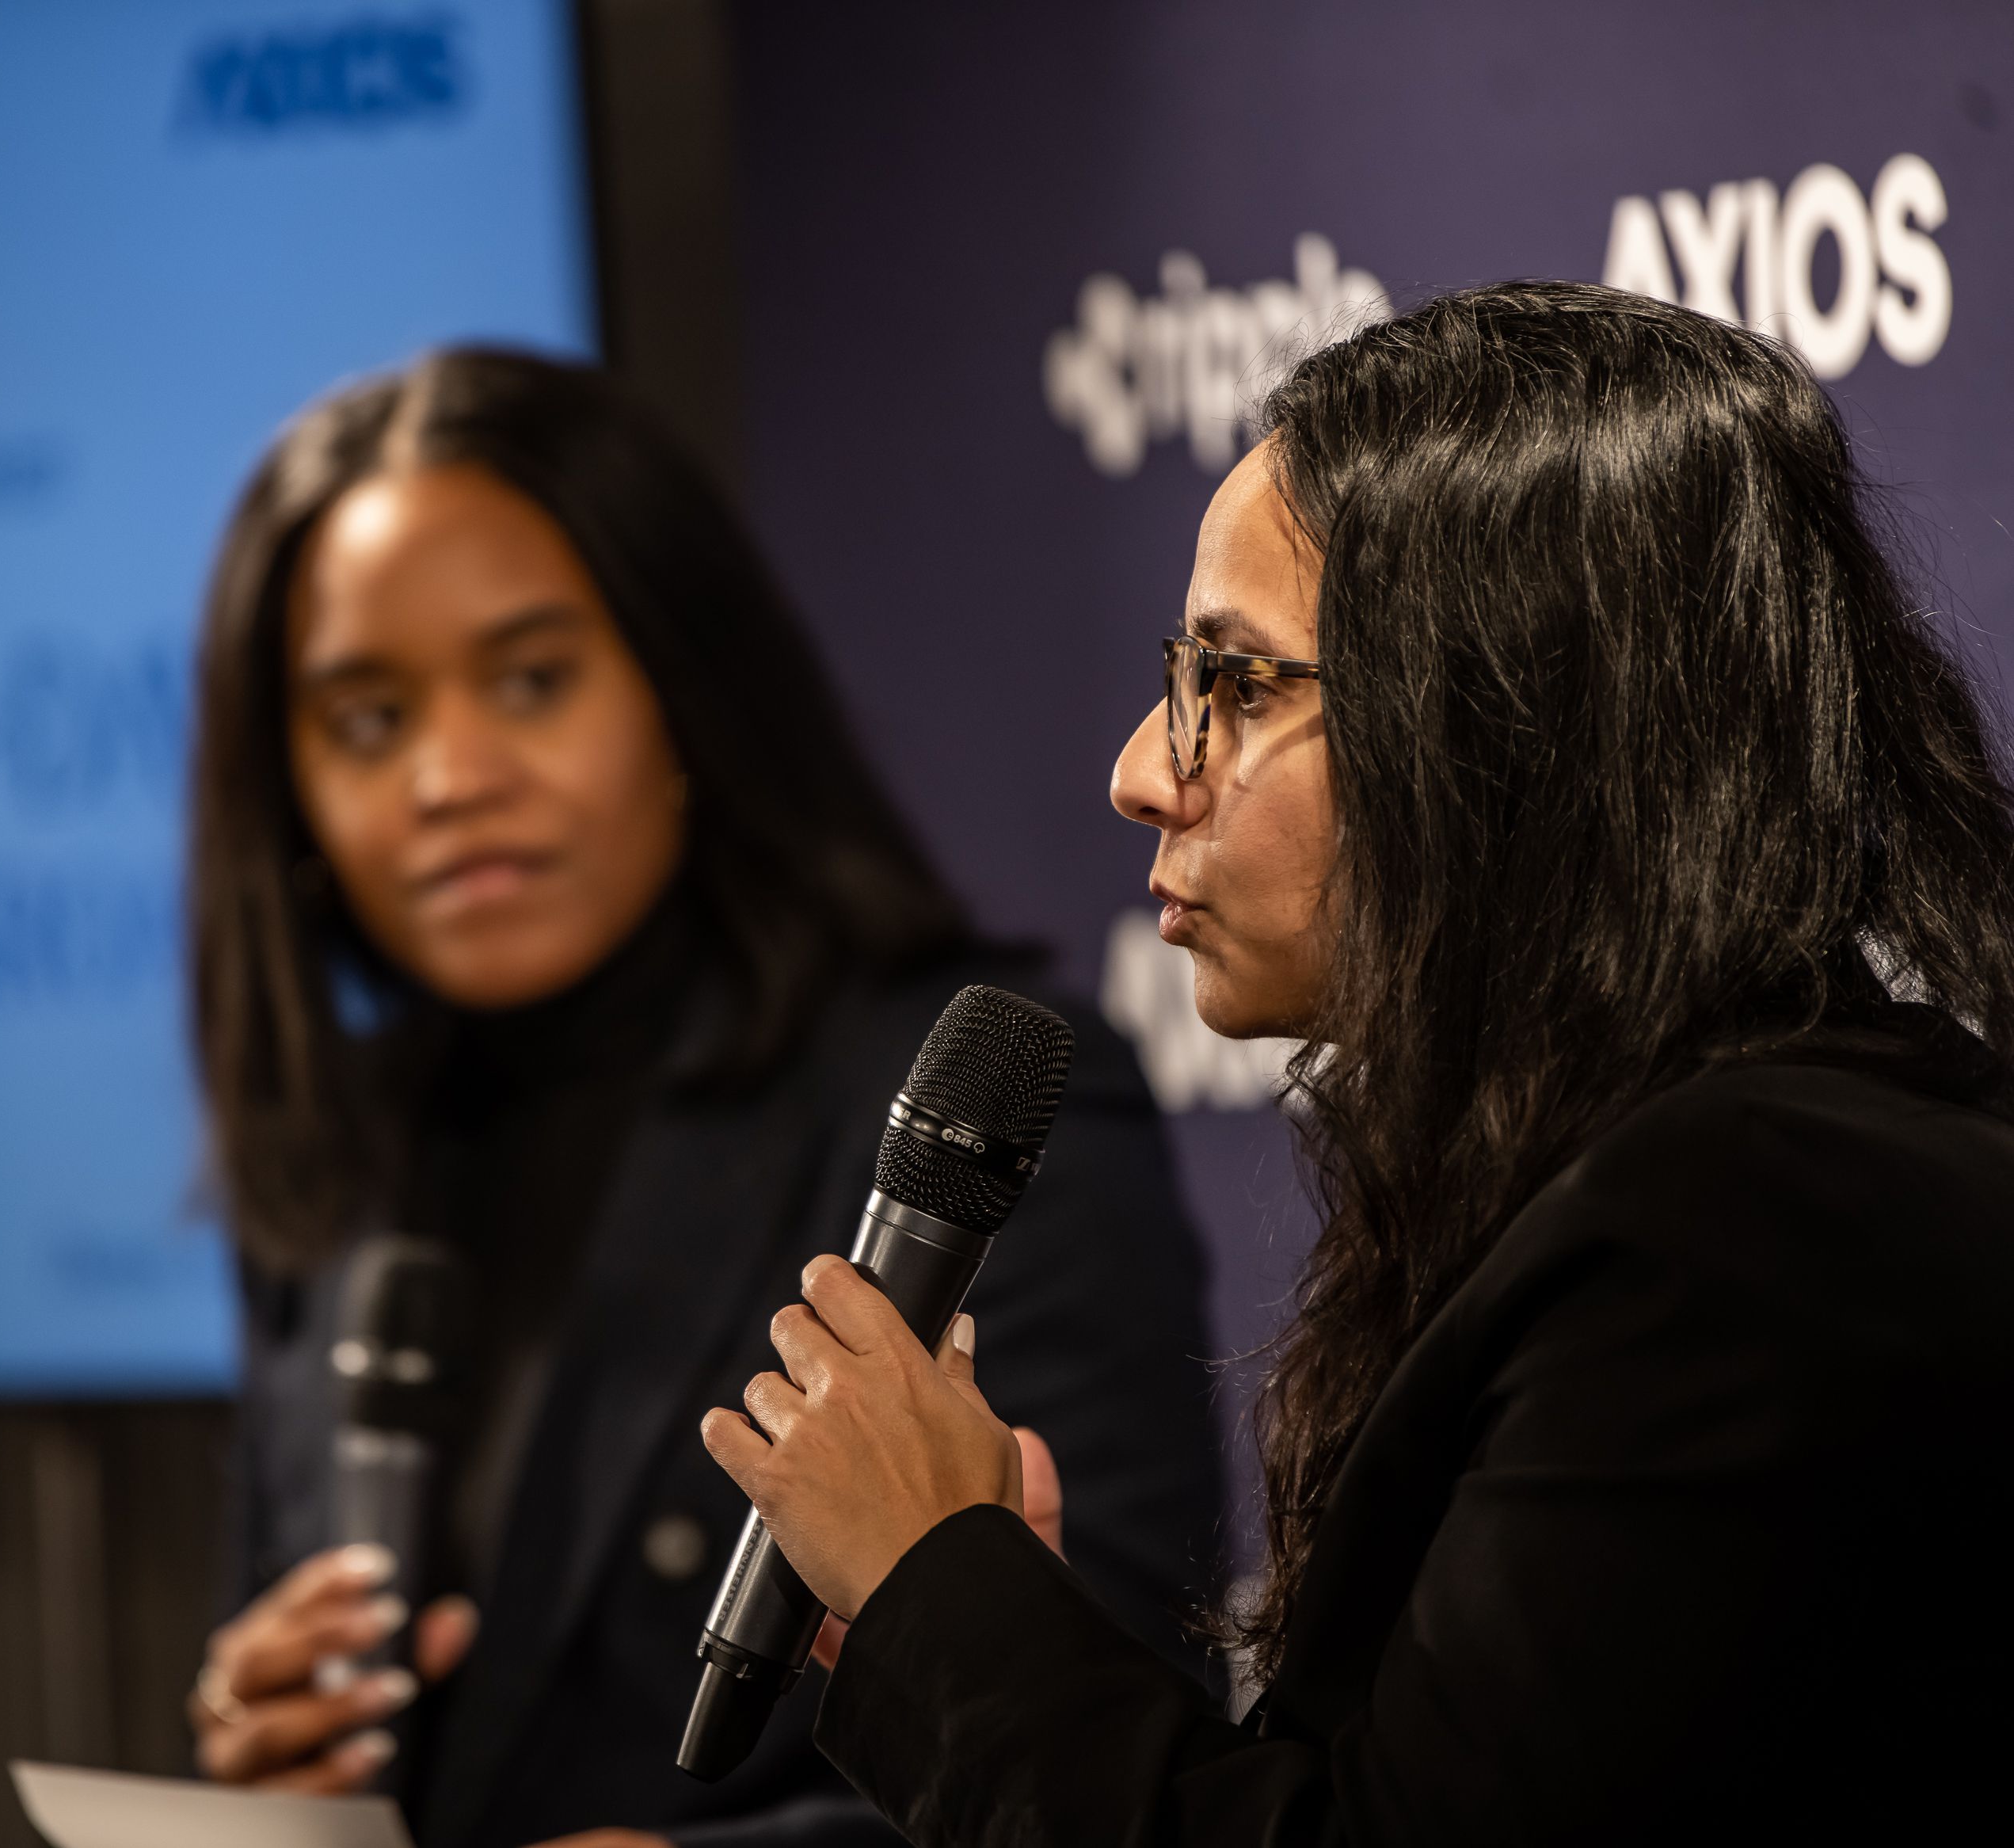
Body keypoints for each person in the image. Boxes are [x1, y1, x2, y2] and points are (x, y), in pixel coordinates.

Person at [702, 283, 2014, 1843]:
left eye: (1238, 684)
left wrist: (947, 1605)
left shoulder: (1739, 1232)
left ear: (1514, 719)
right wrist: (995, 1626)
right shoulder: (1681, 1181)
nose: (1140, 772)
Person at [179, 349, 1225, 1848]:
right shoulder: (339, 1153)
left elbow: (1126, 1740)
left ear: (686, 687)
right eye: (365, 720)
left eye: (531, 680)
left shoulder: (948, 1105)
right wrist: (264, 1756)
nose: (447, 777)